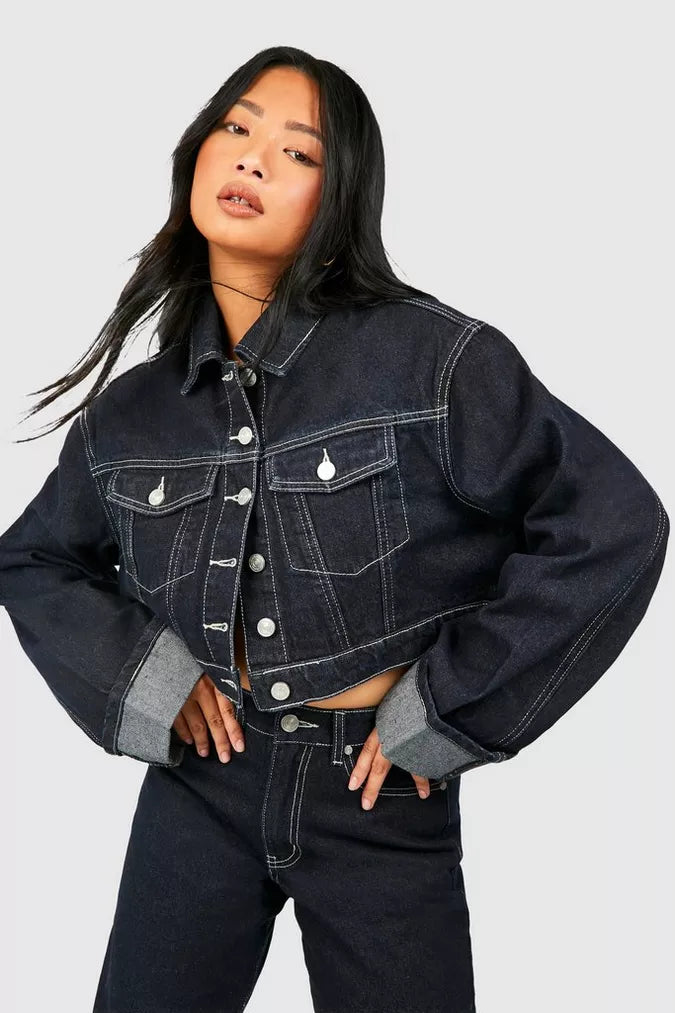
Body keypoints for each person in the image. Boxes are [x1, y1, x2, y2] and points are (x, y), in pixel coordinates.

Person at [0, 45, 668, 1013]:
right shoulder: (131, 416)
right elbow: (33, 558)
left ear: (341, 194)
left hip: (377, 794)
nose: (253, 156)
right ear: (196, 153)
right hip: (200, 787)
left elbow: (612, 525)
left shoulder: (433, 361)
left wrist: (449, 707)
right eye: (236, 127)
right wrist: (146, 677)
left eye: (299, 151)